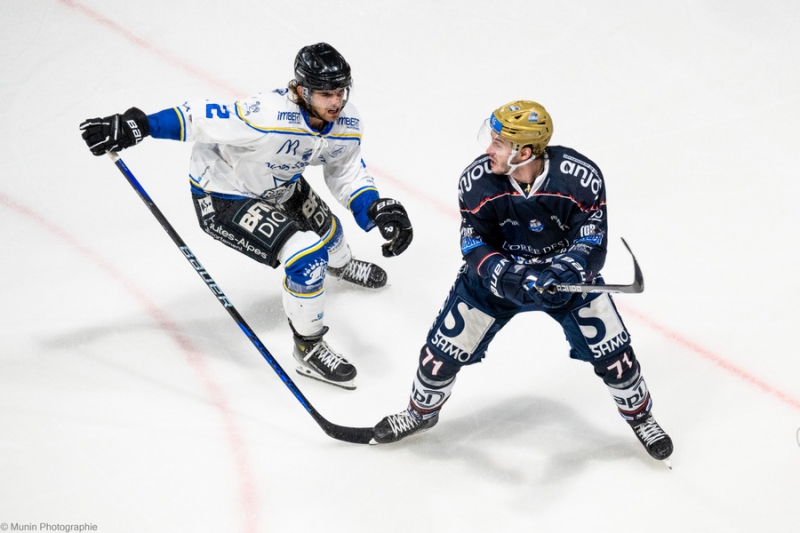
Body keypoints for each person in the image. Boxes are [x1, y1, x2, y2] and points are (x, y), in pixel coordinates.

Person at [79, 42, 413, 391]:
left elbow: (345, 172)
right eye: (326, 93)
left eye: (340, 91)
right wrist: (139, 125)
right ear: (301, 91)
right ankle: (308, 348)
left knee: (330, 233)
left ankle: (341, 265)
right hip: (225, 194)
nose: (336, 102)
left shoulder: (347, 120)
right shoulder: (266, 115)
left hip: (279, 184)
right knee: (307, 257)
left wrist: (374, 207)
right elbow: (199, 117)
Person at [370, 100, 673, 464]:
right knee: (438, 356)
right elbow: (473, 243)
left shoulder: (580, 178)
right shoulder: (477, 181)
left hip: (563, 285)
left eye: (497, 142)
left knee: (617, 358)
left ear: (524, 152)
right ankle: (420, 414)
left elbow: (591, 244)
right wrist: (509, 275)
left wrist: (559, 273)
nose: (488, 150)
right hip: (496, 283)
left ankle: (641, 418)